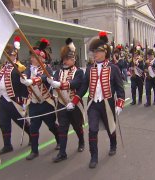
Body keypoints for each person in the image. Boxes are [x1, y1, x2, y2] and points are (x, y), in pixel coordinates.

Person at [66, 32, 125, 169]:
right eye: (94, 51)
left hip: (107, 104)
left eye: (98, 51)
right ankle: (94, 156)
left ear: (105, 53)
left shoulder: (114, 69)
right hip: (93, 104)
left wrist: (120, 104)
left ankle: (113, 144)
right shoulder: (89, 69)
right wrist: (74, 101)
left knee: (111, 127)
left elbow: (120, 89)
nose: (95, 54)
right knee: (92, 130)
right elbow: (83, 87)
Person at [47, 38, 85, 163]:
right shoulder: (58, 71)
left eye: (72, 58)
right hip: (62, 105)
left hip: (74, 104)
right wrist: (51, 81)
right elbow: (54, 82)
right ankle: (62, 153)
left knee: (77, 127)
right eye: (68, 58)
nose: (71, 60)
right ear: (64, 59)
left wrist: (60, 85)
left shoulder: (79, 72)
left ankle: (81, 141)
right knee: (62, 129)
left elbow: (75, 83)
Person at [21, 38, 59, 160]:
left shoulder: (47, 68)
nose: (32, 59)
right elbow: (25, 73)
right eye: (32, 57)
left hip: (45, 103)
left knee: (51, 125)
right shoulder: (29, 68)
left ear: (41, 59)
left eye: (34, 57)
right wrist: (24, 78)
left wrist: (31, 80)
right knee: (33, 127)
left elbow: (43, 78)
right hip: (33, 103)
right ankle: (34, 150)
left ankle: (59, 140)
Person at [0, 43, 31, 155]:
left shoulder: (19, 67)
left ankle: (32, 136)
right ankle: (7, 145)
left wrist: (24, 79)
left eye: (12, 55)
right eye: (9, 55)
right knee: (3, 122)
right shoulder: (2, 66)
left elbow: (25, 83)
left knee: (21, 121)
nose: (11, 57)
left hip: (14, 100)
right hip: (2, 98)